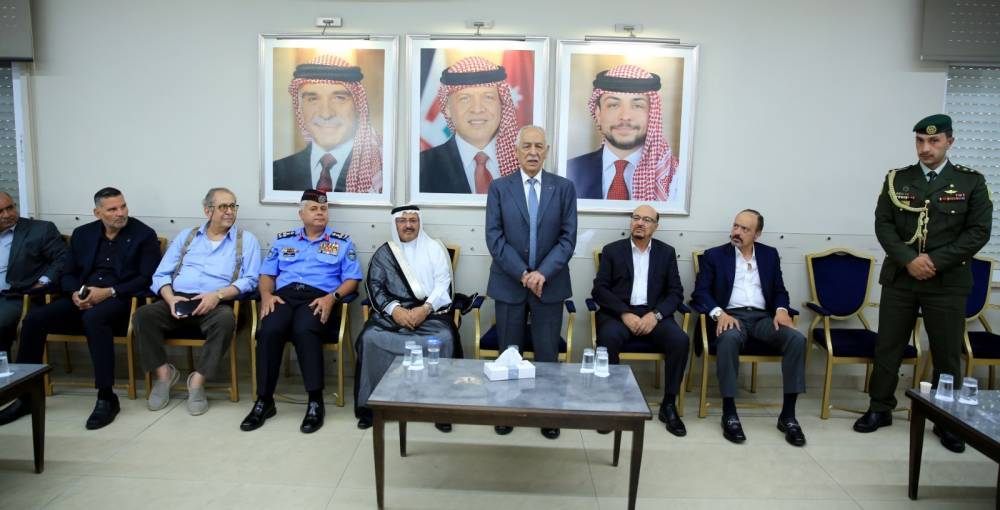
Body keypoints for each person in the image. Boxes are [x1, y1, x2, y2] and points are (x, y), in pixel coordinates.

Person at [854, 114, 992, 454]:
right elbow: (884, 224)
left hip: (947, 281)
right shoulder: (898, 179)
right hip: (902, 278)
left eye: (934, 141)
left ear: (949, 142)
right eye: (920, 141)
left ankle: (948, 420)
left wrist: (934, 261)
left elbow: (978, 232)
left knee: (946, 352)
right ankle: (880, 407)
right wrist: (909, 260)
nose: (925, 148)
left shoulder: (970, 182)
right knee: (888, 345)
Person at [7, 188, 160, 430]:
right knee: (35, 318)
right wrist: (74, 294)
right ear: (97, 213)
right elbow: (67, 272)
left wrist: (108, 292)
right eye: (112, 209)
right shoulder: (83, 234)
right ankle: (26, 395)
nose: (121, 213)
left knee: (94, 318)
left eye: (123, 206)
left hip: (121, 299)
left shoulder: (143, 235)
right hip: (82, 295)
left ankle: (106, 396)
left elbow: (146, 278)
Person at [240, 190, 361, 434]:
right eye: (314, 209)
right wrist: (266, 295)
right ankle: (264, 400)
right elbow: (267, 274)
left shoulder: (342, 242)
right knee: (269, 330)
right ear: (301, 214)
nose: (320, 213)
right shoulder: (283, 241)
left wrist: (332, 298)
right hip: (284, 297)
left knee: (305, 330)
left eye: (324, 209)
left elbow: (352, 279)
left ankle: (315, 401)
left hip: (319, 298)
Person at [485, 125, 577, 439]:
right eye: (527, 146)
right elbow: (494, 238)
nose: (533, 152)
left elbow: (567, 238)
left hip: (550, 284)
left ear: (547, 151)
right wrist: (523, 274)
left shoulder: (564, 188)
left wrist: (542, 273)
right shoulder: (499, 188)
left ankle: (547, 412)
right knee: (509, 352)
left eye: (539, 146)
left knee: (547, 353)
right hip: (509, 283)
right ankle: (507, 410)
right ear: (516, 151)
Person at [135, 187, 261, 416]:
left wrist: (217, 295)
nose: (230, 211)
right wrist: (170, 298)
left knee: (226, 320)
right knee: (143, 316)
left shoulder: (246, 240)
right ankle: (164, 376)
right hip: (179, 299)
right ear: (207, 210)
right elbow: (161, 275)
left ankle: (197, 382)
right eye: (223, 206)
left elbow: (251, 280)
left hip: (218, 303)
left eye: (233, 206)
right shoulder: (187, 237)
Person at [691, 209, 807, 446]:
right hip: (731, 316)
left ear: (757, 234)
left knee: (797, 339)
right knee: (728, 338)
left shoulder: (769, 255)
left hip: (763, 318)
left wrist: (782, 310)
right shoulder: (714, 255)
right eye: (736, 226)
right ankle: (729, 413)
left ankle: (788, 416)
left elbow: (779, 290)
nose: (737, 232)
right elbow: (700, 293)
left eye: (745, 229)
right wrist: (719, 314)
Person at [353, 205, 458, 430]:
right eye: (403, 221)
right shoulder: (384, 253)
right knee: (370, 338)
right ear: (395, 225)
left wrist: (425, 309)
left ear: (420, 223)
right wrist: (395, 310)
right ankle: (372, 407)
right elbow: (375, 287)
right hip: (393, 315)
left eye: (413, 220)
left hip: (430, 313)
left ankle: (440, 409)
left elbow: (443, 284)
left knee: (445, 338)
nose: (408, 225)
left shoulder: (434, 248)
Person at [591, 204, 689, 436]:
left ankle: (669, 404)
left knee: (680, 340)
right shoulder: (613, 250)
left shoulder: (666, 252)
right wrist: (624, 313)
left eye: (646, 220)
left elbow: (675, 292)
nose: (640, 223)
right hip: (619, 314)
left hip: (654, 315)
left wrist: (655, 316)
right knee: (608, 338)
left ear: (656, 226)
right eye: (636, 218)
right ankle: (610, 403)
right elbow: (599, 290)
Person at [0, 192, 69, 426]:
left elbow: (62, 258)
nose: (7, 214)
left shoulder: (40, 229)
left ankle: (10, 389)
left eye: (10, 207)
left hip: (17, 295)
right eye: (0, 212)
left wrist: (43, 281)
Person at [567, 64, 680, 202]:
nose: (625, 116)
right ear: (598, 113)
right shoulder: (569, 171)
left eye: (637, 106)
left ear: (652, 114)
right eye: (613, 105)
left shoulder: (676, 177)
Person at [273, 54, 383, 194]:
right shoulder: (276, 173)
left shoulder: (380, 171)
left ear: (357, 106)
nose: (326, 114)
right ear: (300, 108)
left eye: (339, 98)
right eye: (312, 99)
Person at [419, 56, 521, 194]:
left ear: (502, 104)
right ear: (447, 108)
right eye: (465, 98)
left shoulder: (524, 165)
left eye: (488, 97)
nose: (477, 109)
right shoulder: (422, 168)